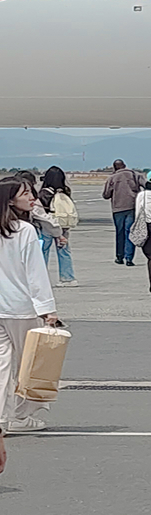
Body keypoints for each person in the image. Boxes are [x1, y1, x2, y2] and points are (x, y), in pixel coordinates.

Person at [0, 178, 61, 433]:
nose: (32, 197)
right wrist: (48, 309)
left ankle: (3, 418)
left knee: (2, 366)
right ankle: (21, 416)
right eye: (25, 194)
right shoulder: (23, 231)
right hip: (22, 307)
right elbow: (35, 274)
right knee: (30, 365)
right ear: (11, 199)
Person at [38, 166, 77, 287]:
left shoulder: (44, 193)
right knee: (64, 251)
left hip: (47, 226)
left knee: (43, 252)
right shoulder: (65, 192)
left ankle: (40, 278)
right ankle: (68, 278)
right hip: (63, 226)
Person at [102, 159, 144, 266]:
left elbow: (106, 195)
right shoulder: (135, 175)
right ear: (125, 165)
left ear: (114, 167)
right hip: (132, 207)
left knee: (119, 233)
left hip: (118, 209)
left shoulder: (112, 178)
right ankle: (129, 258)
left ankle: (119, 256)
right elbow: (146, 185)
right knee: (130, 232)